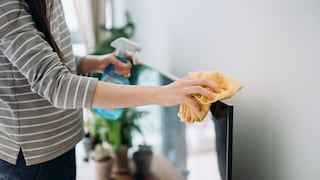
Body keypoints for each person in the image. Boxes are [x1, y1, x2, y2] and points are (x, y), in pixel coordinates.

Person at [0, 0, 221, 179]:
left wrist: (95, 63)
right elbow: (56, 84)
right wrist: (160, 94)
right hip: (33, 157)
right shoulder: (7, 6)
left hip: (60, 142)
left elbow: (48, 60)